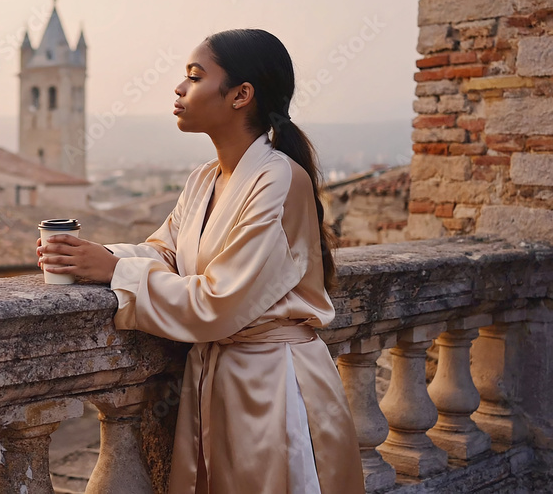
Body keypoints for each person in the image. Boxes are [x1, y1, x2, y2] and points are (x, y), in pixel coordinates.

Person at [36, 29, 364, 493]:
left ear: (241, 95)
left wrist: (114, 272)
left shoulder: (279, 181)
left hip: (274, 390)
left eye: (194, 77)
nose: (178, 88)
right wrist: (92, 257)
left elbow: (221, 301)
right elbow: (166, 252)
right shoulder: (205, 179)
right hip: (215, 383)